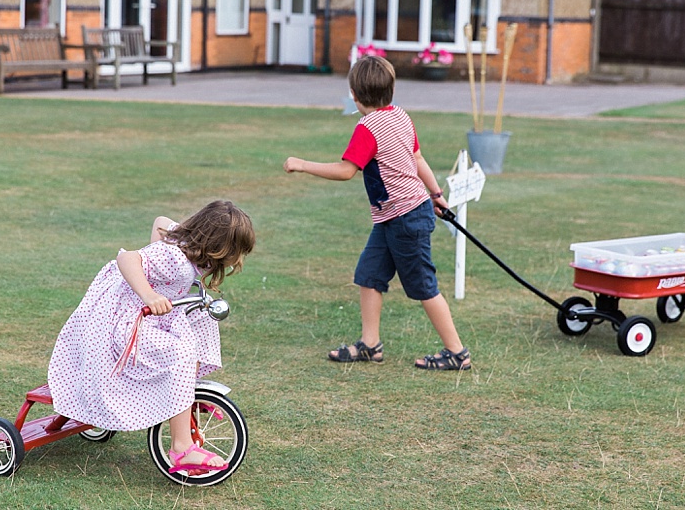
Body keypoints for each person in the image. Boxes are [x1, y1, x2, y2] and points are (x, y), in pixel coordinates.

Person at [283, 55, 471, 371]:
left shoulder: (367, 127)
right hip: (394, 217)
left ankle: (457, 352)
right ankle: (370, 345)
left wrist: (302, 164)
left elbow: (346, 171)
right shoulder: (400, 116)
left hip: (406, 218)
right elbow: (419, 159)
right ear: (390, 90)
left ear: (354, 95)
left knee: (424, 285)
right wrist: (436, 194)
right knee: (369, 276)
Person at [47, 200, 256, 474]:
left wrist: (157, 284)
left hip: (147, 317)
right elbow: (127, 258)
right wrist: (149, 293)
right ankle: (181, 447)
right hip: (122, 324)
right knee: (179, 352)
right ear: (218, 244)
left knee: (202, 319)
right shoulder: (174, 260)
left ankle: (186, 392)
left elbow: (160, 222)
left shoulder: (185, 243)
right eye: (236, 252)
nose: (238, 260)